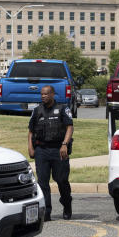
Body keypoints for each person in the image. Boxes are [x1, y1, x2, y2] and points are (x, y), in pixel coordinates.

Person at [27, 85, 74, 221]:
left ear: (53, 94)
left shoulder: (62, 109)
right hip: (41, 150)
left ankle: (67, 203)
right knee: (42, 182)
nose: (43, 96)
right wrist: (30, 147)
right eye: (42, 94)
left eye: (46, 94)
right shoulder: (36, 111)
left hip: (58, 149)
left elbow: (69, 127)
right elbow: (30, 131)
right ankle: (46, 211)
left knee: (61, 180)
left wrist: (64, 144)